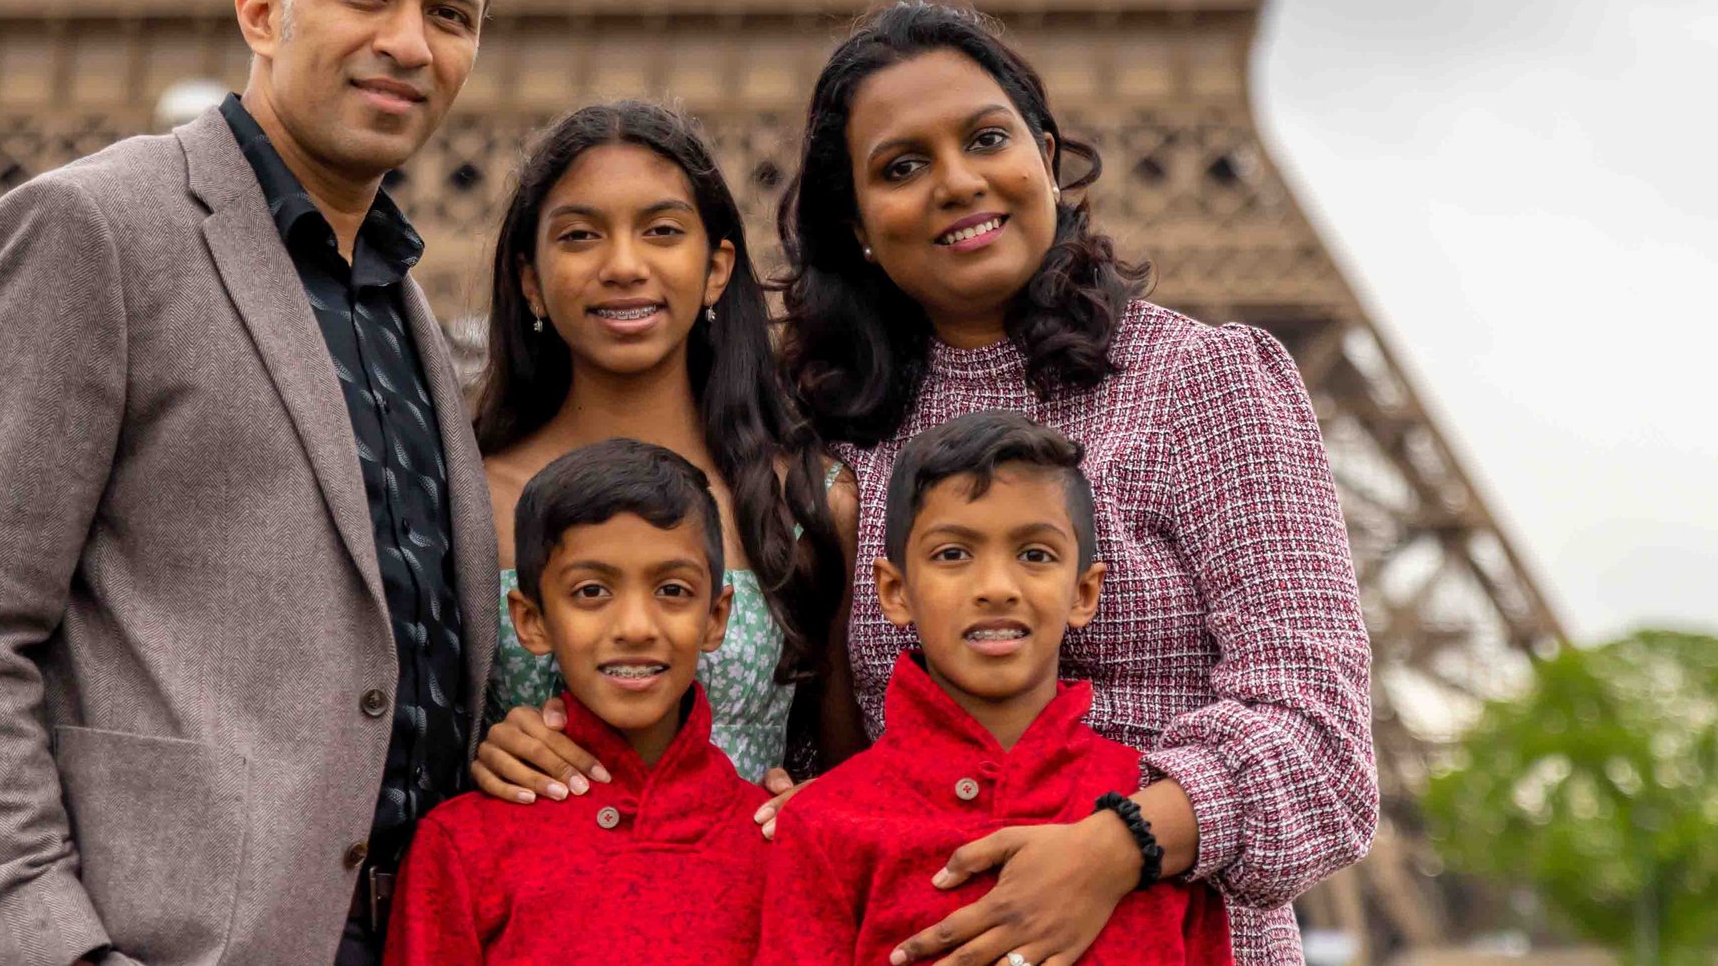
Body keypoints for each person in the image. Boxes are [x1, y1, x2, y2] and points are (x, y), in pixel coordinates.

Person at [0, 0, 502, 966]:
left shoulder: (399, 300)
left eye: (449, 12)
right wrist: (59, 950)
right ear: (262, 9)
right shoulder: (93, 229)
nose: (410, 41)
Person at [774, 1, 1378, 966]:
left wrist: (1117, 844)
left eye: (985, 138)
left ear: (1045, 154)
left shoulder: (1203, 381)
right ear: (854, 223)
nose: (958, 182)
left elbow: (1323, 744)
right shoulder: (834, 445)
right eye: (902, 165)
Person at [463, 103, 855, 796]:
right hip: (529, 895)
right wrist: (479, 751)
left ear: (716, 267)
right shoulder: (463, 497)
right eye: (581, 235)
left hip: (745, 895)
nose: (623, 264)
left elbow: (853, 770)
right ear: (531, 278)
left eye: (663, 230)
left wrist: (811, 807)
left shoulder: (809, 502)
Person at [761, 413, 1232, 966]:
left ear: (1084, 593)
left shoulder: (1152, 826)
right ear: (893, 591)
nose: (996, 589)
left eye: (1034, 555)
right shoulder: (826, 825)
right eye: (953, 554)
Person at [384, 440, 772, 966]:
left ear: (716, 617)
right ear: (531, 620)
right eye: (591, 591)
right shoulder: (465, 846)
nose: (635, 628)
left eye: (673, 590)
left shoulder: (776, 838)